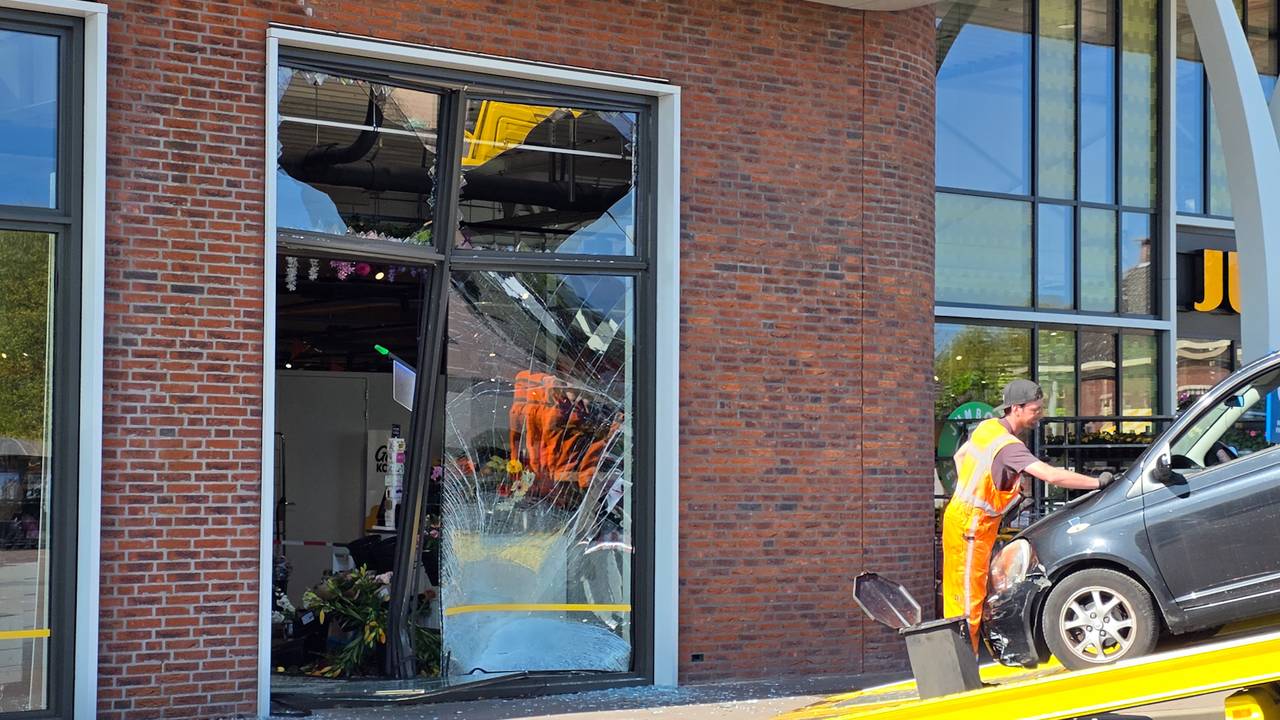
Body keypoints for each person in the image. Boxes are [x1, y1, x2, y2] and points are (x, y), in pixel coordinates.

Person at [942, 379, 1114, 653]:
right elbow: (1051, 475)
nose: (1040, 414)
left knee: (961, 593)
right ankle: (962, 671)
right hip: (972, 526)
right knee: (968, 599)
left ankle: (961, 666)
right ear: (1017, 408)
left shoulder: (987, 429)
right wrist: (1097, 483)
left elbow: (960, 457)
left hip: (963, 519)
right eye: (1036, 409)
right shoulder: (1009, 446)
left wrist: (982, 491)